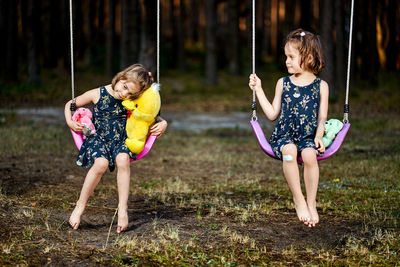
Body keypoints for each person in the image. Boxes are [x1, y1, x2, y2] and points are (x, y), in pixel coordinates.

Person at [64, 64, 168, 233]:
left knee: (123, 159)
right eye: (124, 87)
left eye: (131, 93)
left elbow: (150, 113)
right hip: (98, 138)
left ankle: (122, 209)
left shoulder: (133, 99)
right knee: (101, 163)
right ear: (120, 78)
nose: (124, 94)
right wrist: (70, 121)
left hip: (122, 139)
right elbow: (71, 103)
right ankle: (80, 206)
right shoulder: (97, 93)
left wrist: (163, 122)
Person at [249, 29, 329, 227]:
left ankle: (311, 202)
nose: (287, 61)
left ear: (308, 57)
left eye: (292, 57)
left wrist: (319, 136)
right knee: (289, 152)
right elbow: (272, 114)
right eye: (286, 56)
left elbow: (322, 117)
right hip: (284, 136)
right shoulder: (282, 83)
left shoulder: (321, 86)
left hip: (308, 136)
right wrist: (258, 89)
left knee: (310, 155)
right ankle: (298, 199)